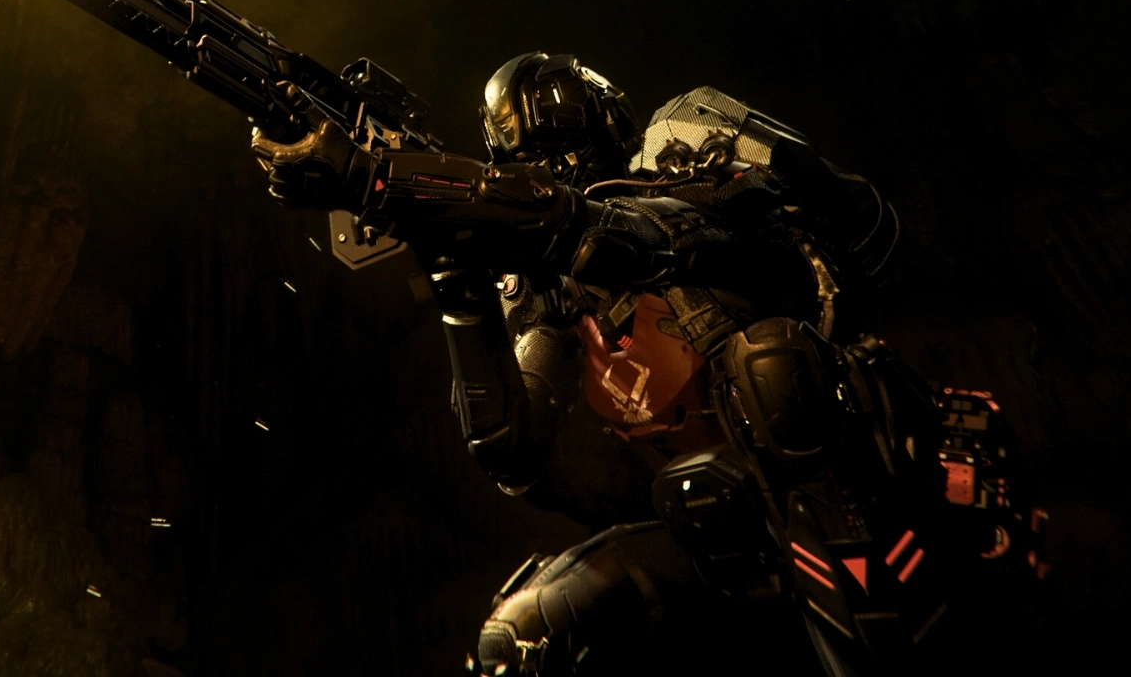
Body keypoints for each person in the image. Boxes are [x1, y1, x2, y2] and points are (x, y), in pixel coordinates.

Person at [250, 54, 1036, 676]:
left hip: (865, 489)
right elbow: (509, 446)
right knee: (521, 638)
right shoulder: (560, 296)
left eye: (559, 149)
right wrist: (450, 265)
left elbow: (616, 235)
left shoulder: (696, 187)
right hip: (736, 536)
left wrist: (380, 179)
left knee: (771, 370)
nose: (552, 168)